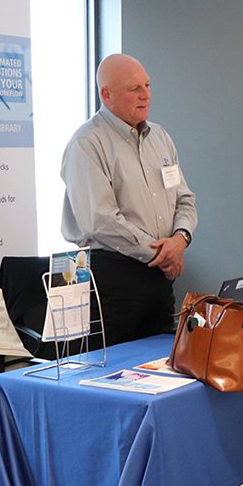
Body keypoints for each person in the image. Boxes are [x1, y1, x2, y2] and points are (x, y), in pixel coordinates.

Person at [60, 54, 197, 347]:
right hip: (114, 280)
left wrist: (180, 239)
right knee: (118, 379)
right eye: (134, 88)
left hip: (159, 279)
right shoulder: (87, 144)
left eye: (147, 85)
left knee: (161, 371)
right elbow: (101, 220)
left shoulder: (160, 137)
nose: (145, 94)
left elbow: (184, 199)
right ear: (106, 94)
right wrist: (162, 254)